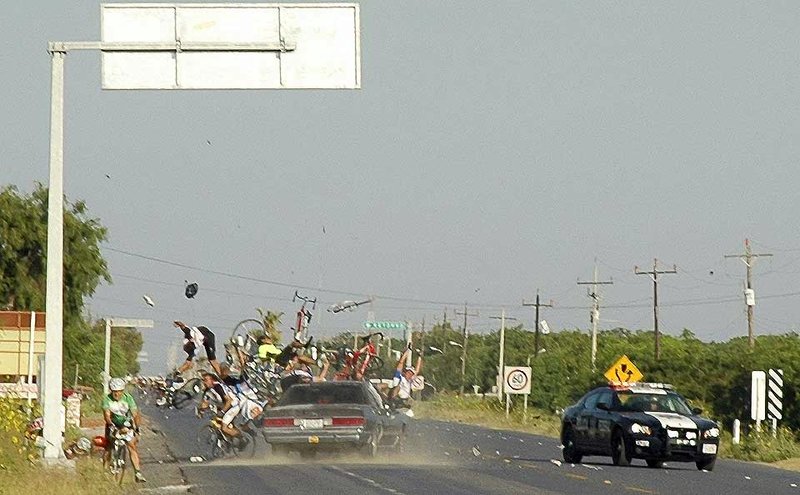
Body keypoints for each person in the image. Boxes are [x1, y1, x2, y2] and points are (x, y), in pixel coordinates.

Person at [103, 377, 146, 483]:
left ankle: (138, 473)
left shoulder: (128, 398)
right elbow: (107, 415)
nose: (117, 394)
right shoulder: (107, 399)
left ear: (122, 391)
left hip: (126, 424)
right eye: (114, 391)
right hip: (112, 423)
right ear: (111, 391)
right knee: (108, 446)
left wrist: (137, 429)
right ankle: (104, 470)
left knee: (132, 446)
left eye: (119, 391)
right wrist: (111, 425)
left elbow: (135, 414)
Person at [197, 371, 248, 449]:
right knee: (219, 422)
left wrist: (222, 412)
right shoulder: (207, 390)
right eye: (203, 380)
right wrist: (201, 411)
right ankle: (229, 440)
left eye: (206, 380)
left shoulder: (218, 387)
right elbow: (204, 402)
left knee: (224, 427)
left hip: (234, 405)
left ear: (212, 380)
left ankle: (243, 439)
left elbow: (229, 400)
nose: (204, 382)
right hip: (224, 406)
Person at [389, 345, 423, 409]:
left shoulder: (410, 380)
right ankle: (392, 401)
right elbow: (401, 362)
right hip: (397, 397)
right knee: (397, 387)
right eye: (408, 372)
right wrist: (408, 350)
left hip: (404, 400)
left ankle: (401, 404)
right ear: (405, 372)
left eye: (411, 373)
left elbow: (417, 370)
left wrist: (419, 356)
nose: (409, 374)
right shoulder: (399, 377)